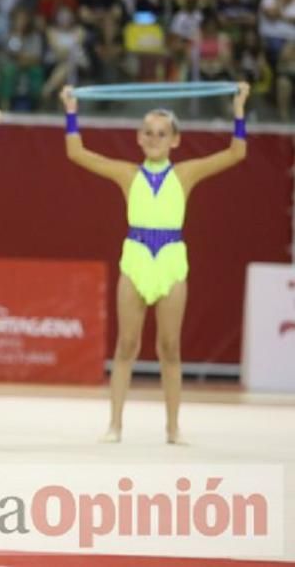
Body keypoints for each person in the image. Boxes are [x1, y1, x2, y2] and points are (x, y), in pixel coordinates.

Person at [61, 83, 250, 444]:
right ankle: (115, 425)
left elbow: (237, 152)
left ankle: (173, 428)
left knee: (170, 347)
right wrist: (71, 109)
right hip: (135, 259)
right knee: (126, 345)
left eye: (162, 134)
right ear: (139, 137)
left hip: (170, 261)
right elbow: (77, 153)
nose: (154, 138)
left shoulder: (184, 175)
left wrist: (238, 107)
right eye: (148, 133)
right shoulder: (128, 175)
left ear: (175, 140)